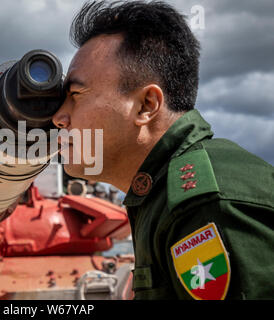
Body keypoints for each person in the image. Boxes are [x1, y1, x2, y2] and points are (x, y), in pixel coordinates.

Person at [51, 1, 273, 299]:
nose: (59, 118)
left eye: (76, 95)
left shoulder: (204, 206)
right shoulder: (159, 195)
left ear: (146, 106)